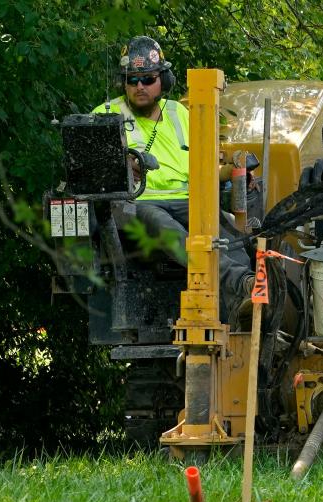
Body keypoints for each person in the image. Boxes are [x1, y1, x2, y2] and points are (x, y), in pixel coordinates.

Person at [93, 36, 255, 323]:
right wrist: (121, 167)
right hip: (134, 207)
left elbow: (206, 168)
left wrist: (234, 172)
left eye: (148, 78)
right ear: (123, 83)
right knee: (164, 226)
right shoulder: (105, 115)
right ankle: (242, 283)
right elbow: (92, 173)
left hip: (186, 201)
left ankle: (239, 311)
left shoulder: (179, 114)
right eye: (133, 80)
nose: (140, 86)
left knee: (226, 233)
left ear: (163, 80)